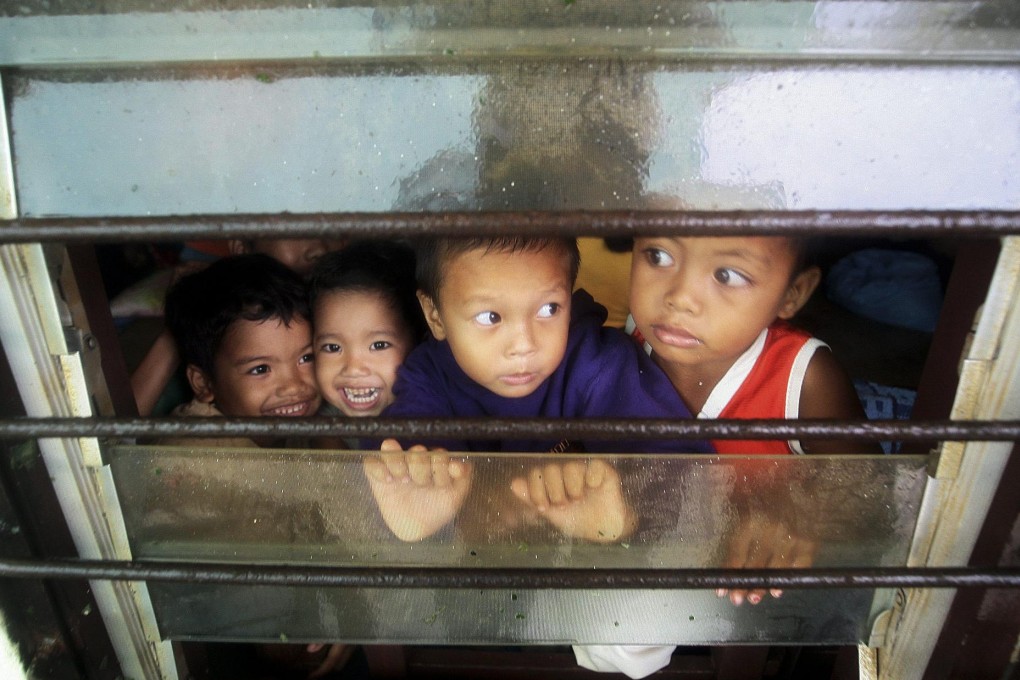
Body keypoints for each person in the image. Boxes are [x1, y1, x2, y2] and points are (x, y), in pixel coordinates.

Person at [367, 235, 711, 544]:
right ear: (435, 316)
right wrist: (421, 501)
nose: (524, 345)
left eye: (549, 309)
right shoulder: (429, 377)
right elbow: (396, 462)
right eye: (490, 317)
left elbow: (689, 476)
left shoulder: (599, 364)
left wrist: (627, 514)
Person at [161, 253, 355, 677]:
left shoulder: (293, 424)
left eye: (306, 358)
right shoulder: (203, 457)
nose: (294, 385)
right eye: (261, 368)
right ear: (204, 384)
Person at [307, 239, 428, 445]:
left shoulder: (435, 412)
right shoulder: (321, 424)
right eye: (332, 347)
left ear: (419, 341)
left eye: (378, 345)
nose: (353, 369)